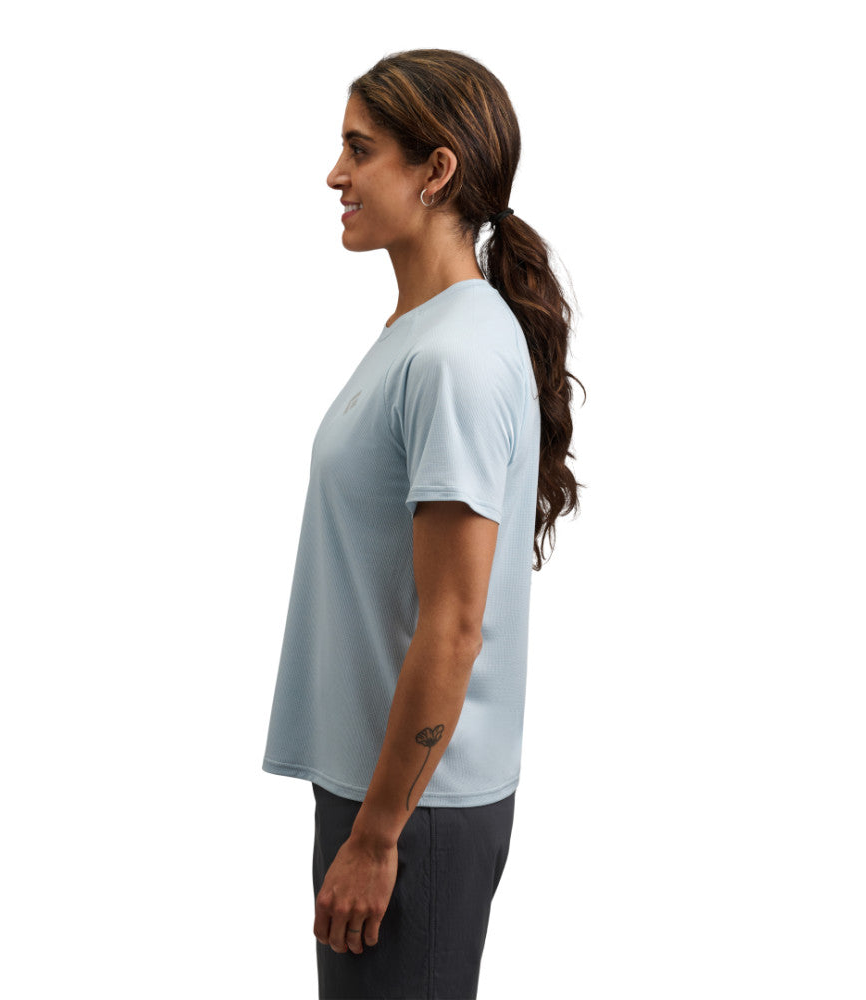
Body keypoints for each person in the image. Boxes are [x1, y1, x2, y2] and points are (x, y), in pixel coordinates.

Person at [262, 48, 585, 999]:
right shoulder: (425, 335)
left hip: (413, 811)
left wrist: (378, 837)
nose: (336, 175)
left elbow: (453, 624)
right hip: (386, 792)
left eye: (360, 150)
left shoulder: (455, 357)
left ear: (436, 170)